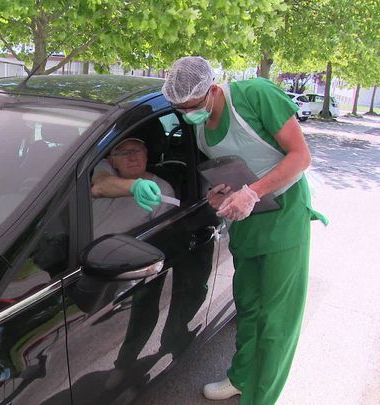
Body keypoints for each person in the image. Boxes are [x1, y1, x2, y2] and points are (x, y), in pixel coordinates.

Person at [162, 56, 328, 404]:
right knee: (249, 306)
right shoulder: (199, 124)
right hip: (245, 221)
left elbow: (300, 156)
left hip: (283, 216)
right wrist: (218, 193)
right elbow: (227, 167)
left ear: (212, 89)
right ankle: (241, 377)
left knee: (276, 320)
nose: (188, 114)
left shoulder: (254, 96)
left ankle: (261, 398)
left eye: (192, 106)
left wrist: (253, 192)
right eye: (181, 109)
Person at [91, 137, 175, 237]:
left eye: (137, 151)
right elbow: (99, 186)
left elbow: (162, 235)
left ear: (146, 156)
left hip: (113, 251)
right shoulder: (104, 166)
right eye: (124, 153)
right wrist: (134, 186)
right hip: (75, 240)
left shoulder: (162, 190)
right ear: (112, 161)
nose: (132, 157)